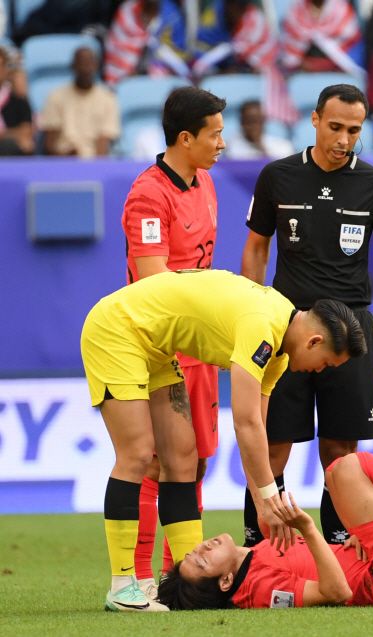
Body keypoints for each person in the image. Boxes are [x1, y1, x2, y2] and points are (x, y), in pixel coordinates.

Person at [81, 268, 367, 612]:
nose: (320, 371)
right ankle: (122, 585)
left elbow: (257, 431)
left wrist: (268, 500)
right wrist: (265, 503)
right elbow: (244, 422)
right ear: (315, 342)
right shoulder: (263, 326)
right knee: (138, 454)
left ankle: (177, 587)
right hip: (117, 330)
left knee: (183, 459)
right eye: (326, 364)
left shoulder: (278, 348)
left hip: (154, 346)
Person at [241, 83, 373, 548]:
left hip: (350, 333)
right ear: (314, 120)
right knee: (274, 446)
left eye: (354, 129)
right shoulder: (277, 176)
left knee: (342, 452)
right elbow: (257, 249)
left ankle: (343, 542)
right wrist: (252, 308)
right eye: (335, 127)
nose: (345, 139)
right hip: (289, 330)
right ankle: (260, 542)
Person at [157, 429, 373, 609]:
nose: (203, 546)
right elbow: (336, 592)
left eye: (194, 551)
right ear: (224, 582)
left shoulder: (253, 560)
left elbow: (322, 567)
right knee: (348, 468)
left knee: (338, 472)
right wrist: (309, 528)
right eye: (203, 560)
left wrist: (356, 538)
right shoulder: (262, 591)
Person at [120, 86, 225, 602]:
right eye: (215, 133)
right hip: (164, 348)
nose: (222, 142)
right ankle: (139, 579)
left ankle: (177, 577)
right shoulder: (147, 195)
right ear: (186, 138)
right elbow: (154, 284)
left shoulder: (205, 182)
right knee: (160, 464)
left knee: (198, 462)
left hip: (201, 343)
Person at [41, 47, 120, 157]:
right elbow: (49, 145)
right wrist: (66, 158)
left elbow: (103, 146)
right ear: (73, 66)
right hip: (62, 162)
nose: (85, 69)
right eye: (81, 64)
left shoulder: (107, 99)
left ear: (96, 66)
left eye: (89, 64)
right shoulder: (56, 96)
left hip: (94, 164)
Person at [104, 0, 190, 87]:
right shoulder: (128, 10)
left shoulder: (172, 14)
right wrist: (129, 73)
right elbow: (115, 50)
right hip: (127, 79)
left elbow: (180, 56)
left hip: (164, 82)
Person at [191, 0, 277, 78]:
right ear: (228, 4)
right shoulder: (213, 14)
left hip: (236, 66)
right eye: (238, 8)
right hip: (209, 65)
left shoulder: (251, 17)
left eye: (243, 8)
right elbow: (200, 61)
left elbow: (245, 51)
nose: (241, 13)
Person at [280, 0, 362, 74]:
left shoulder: (341, 8)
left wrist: (329, 63)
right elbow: (292, 44)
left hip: (340, 66)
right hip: (305, 68)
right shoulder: (296, 9)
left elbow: (351, 39)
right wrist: (302, 63)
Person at [226, 100, 294, 160]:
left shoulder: (282, 147)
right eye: (249, 121)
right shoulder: (229, 148)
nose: (253, 126)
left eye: (257, 120)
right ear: (241, 122)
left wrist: (260, 146)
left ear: (264, 121)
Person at [0, 46, 34, 156]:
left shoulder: (18, 101)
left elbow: (26, 133)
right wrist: (13, 133)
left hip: (9, 151)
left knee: (25, 145)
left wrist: (4, 135)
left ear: (6, 69)